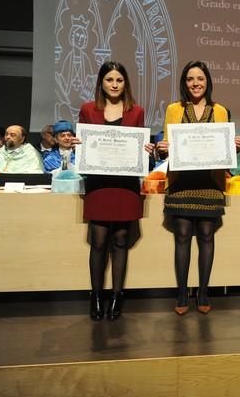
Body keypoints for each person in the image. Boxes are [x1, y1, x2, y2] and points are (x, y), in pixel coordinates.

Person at [155, 60, 240, 315]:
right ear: (184, 83)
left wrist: (232, 146)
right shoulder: (173, 109)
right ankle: (182, 292)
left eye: (200, 79)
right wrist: (163, 147)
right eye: (190, 79)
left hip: (210, 183)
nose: (195, 84)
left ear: (208, 82)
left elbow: (223, 150)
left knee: (206, 235)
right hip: (181, 183)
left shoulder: (221, 111)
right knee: (181, 235)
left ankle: (203, 291)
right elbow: (166, 142)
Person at [79, 61, 153, 321]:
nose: (114, 84)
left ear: (125, 84)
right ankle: (96, 295)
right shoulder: (88, 110)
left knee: (121, 241)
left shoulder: (136, 111)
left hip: (126, 186)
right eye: (109, 80)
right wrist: (81, 147)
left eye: (119, 80)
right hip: (99, 186)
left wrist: (147, 150)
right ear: (101, 82)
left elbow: (140, 145)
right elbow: (85, 149)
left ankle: (117, 295)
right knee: (98, 242)